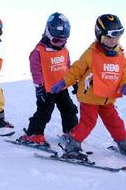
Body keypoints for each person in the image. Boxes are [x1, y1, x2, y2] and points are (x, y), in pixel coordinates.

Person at [51, 14, 126, 158]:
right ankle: (72, 144)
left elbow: (124, 72)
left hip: (107, 99)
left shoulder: (120, 54)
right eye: (109, 38)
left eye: (116, 37)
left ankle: (123, 143)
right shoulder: (91, 53)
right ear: (99, 35)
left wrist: (124, 84)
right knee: (88, 123)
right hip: (90, 98)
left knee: (116, 123)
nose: (113, 41)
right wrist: (65, 82)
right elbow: (76, 70)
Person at [18, 12, 78, 146]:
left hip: (62, 87)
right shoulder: (38, 52)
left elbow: (67, 66)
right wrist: (39, 87)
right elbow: (36, 71)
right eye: (57, 40)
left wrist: (74, 81)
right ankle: (34, 134)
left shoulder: (64, 50)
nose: (60, 44)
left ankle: (71, 131)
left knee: (69, 110)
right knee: (44, 112)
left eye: (64, 40)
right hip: (47, 89)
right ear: (48, 33)